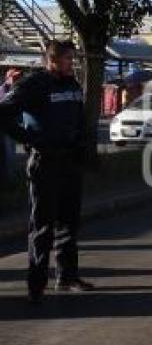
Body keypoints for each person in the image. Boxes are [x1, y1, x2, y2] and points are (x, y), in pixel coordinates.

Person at [0, 42, 91, 304]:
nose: (71, 63)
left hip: (69, 162)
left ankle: (67, 277)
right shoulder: (34, 84)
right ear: (52, 60)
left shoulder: (72, 85)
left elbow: (80, 118)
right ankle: (36, 286)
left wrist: (82, 143)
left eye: (72, 59)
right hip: (45, 163)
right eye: (67, 59)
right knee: (42, 227)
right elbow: (4, 113)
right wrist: (29, 139)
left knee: (69, 223)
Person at [0, 68, 23, 185]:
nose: (16, 80)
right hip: (5, 129)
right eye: (14, 78)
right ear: (7, 78)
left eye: (18, 78)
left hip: (16, 126)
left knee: (16, 153)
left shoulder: (18, 90)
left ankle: (14, 175)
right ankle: (9, 179)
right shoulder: (2, 91)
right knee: (8, 154)